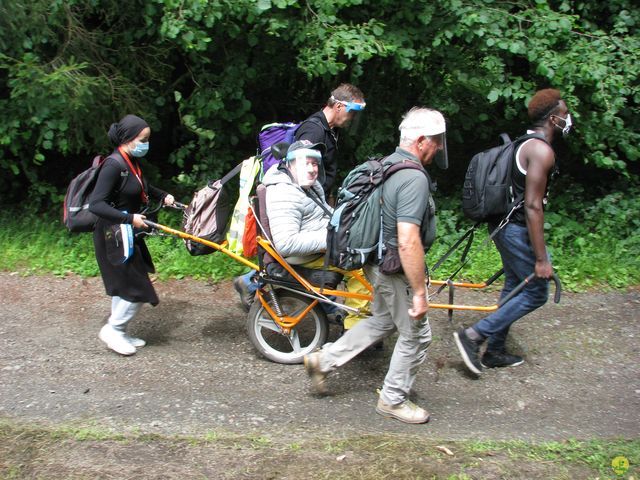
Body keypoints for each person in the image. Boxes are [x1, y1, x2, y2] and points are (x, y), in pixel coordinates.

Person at [303, 107, 447, 424]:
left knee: (383, 320)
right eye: (436, 142)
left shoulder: (388, 164)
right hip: (394, 267)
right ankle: (393, 399)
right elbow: (408, 239)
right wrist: (420, 293)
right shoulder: (412, 178)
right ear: (421, 141)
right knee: (416, 335)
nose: (438, 149)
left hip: (374, 262)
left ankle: (323, 361)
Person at [453, 88, 570, 375]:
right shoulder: (541, 150)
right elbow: (532, 206)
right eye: (566, 115)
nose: (569, 119)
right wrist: (541, 259)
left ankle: (494, 351)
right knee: (536, 292)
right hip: (517, 229)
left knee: (514, 283)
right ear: (554, 119)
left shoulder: (523, 144)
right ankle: (473, 336)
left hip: (504, 227)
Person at [233, 83, 366, 312]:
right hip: (303, 209)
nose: (353, 118)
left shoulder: (330, 130)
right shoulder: (313, 131)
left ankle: (250, 282)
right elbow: (298, 187)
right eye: (352, 112)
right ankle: (252, 283)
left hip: (314, 204)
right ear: (339, 106)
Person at [89, 114, 175, 356]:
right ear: (128, 139)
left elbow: (141, 187)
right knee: (137, 288)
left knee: (124, 286)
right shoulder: (113, 165)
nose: (146, 143)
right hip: (112, 237)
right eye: (143, 139)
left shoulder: (131, 162)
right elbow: (96, 204)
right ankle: (113, 330)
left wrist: (163, 196)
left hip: (126, 235)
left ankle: (121, 330)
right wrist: (129, 218)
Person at [261, 139, 369, 329]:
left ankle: (365, 316)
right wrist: (332, 240)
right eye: (305, 163)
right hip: (302, 256)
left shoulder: (307, 186)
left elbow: (327, 214)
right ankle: (355, 330)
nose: (312, 169)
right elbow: (286, 244)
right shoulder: (285, 193)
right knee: (360, 267)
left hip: (319, 245)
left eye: (314, 163)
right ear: (289, 164)